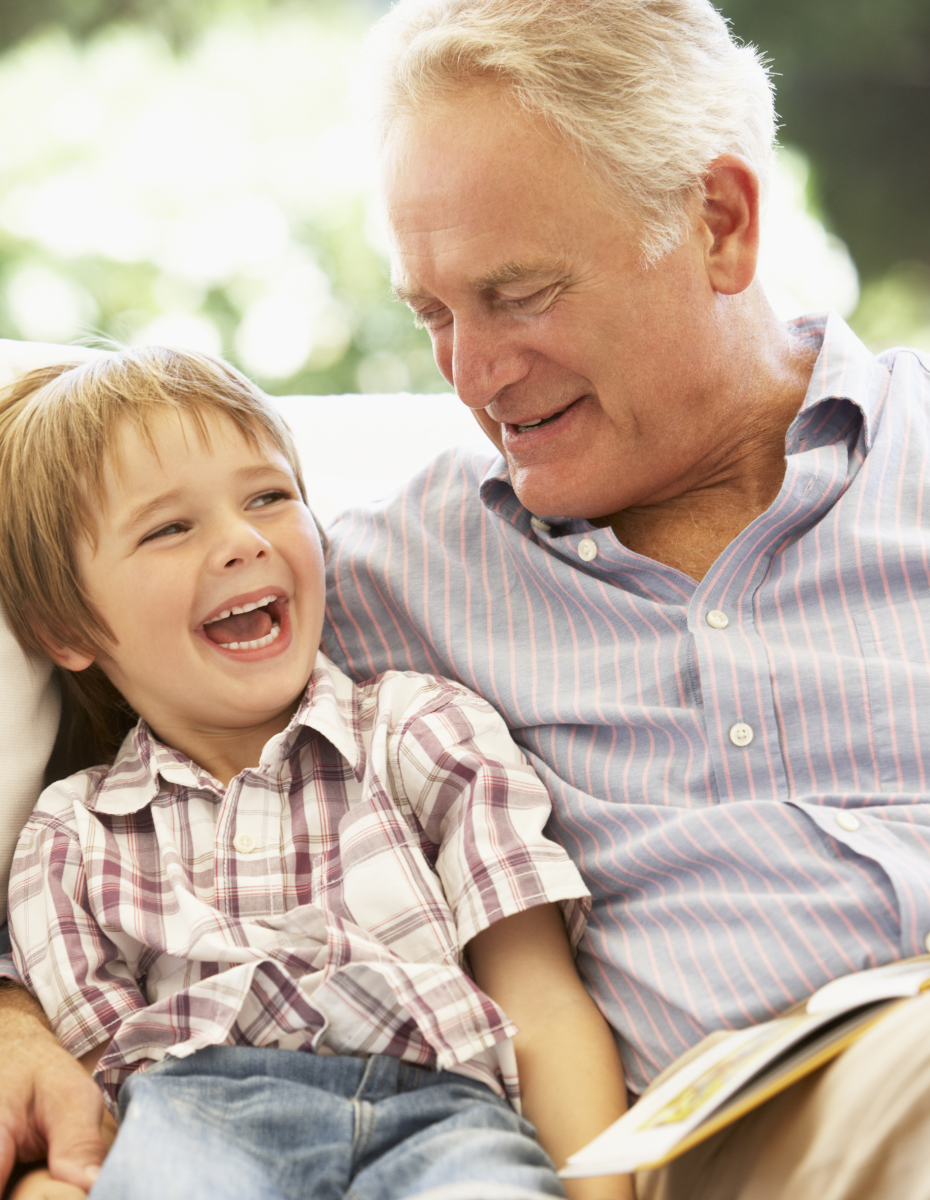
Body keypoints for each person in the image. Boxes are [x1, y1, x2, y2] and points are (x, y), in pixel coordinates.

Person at [320, 1, 930, 1198]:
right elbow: (123, 795)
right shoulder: (382, 579)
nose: (476, 374)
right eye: (433, 314)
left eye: (521, 293)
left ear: (719, 224)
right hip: (774, 1114)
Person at [0, 347, 628, 1200]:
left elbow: (545, 1007)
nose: (243, 541)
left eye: (268, 496)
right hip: (197, 1126)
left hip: (448, 1122)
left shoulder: (421, 728)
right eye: (169, 528)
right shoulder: (71, 839)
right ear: (67, 628)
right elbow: (91, 1105)